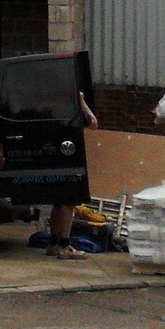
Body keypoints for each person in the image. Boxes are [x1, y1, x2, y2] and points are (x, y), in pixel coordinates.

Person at [46, 92, 102, 261]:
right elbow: (93, 123)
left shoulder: (51, 110)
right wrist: (82, 102)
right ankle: (64, 245)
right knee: (69, 203)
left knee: (58, 203)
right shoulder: (73, 112)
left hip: (56, 159)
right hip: (70, 159)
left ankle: (53, 242)